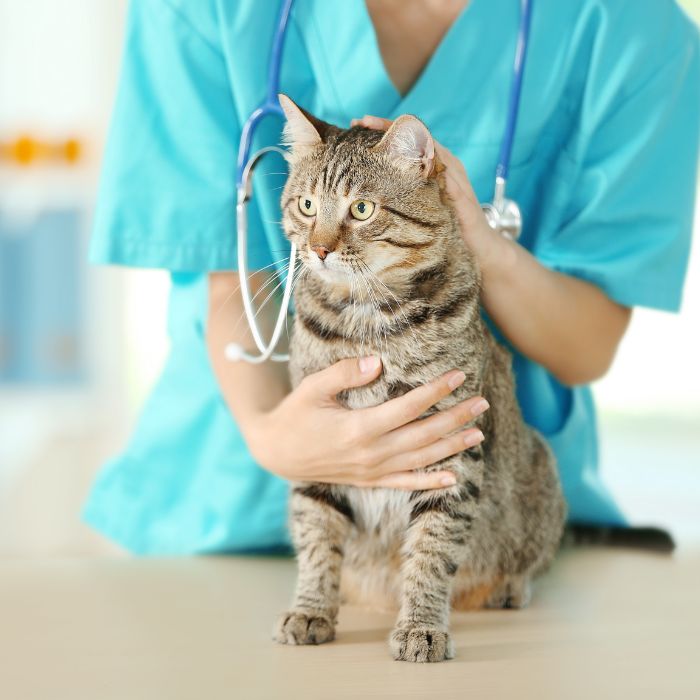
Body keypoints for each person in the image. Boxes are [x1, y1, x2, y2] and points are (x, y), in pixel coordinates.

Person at [84, 0, 700, 554]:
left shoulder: (635, 32)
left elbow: (588, 344)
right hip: (226, 508)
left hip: (474, 521)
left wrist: (479, 243)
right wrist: (271, 437)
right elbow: (227, 269)